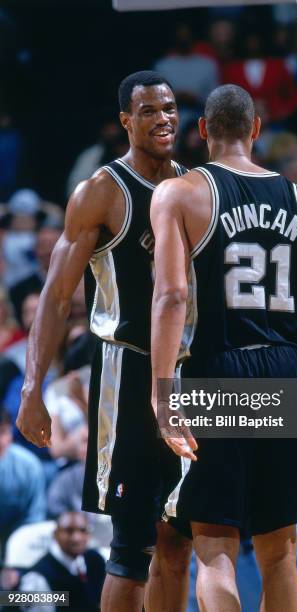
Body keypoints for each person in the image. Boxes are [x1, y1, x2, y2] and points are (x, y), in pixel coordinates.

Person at [150, 84, 297, 611]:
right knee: (280, 554)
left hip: (218, 367)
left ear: (203, 131)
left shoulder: (181, 193)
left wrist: (162, 394)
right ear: (256, 129)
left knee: (215, 551)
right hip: (283, 369)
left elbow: (170, 296)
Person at [16, 71, 191, 612]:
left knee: (178, 538)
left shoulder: (192, 186)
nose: (163, 118)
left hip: (186, 376)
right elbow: (55, 294)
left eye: (169, 108)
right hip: (126, 372)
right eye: (148, 111)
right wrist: (31, 388)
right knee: (130, 547)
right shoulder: (101, 192)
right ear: (125, 121)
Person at [19, 511, 105, 612]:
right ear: (55, 534)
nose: (76, 538)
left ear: (89, 534)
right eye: (69, 531)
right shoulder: (38, 579)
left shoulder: (96, 560)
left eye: (82, 530)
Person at [0, 406, 46, 549]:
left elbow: (33, 519)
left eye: (2, 432)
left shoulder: (29, 467)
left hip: (15, 543)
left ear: (10, 433)